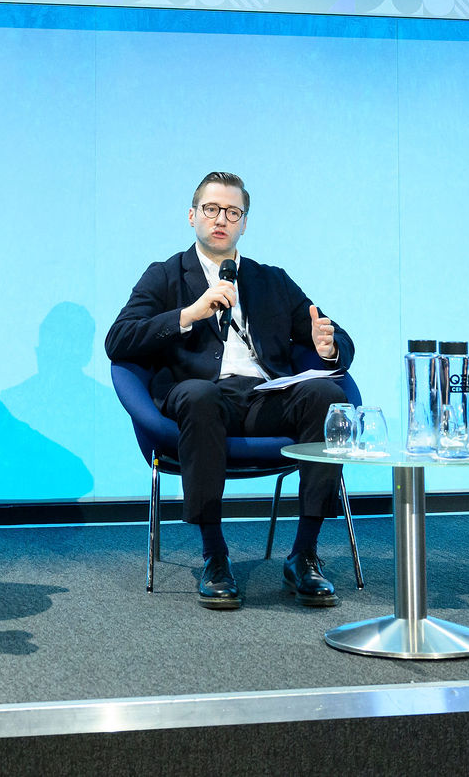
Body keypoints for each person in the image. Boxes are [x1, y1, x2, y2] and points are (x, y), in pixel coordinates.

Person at [105, 171, 354, 610]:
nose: (221, 219)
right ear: (192, 216)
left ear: (244, 223)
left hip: (264, 397)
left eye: (232, 212)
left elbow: (336, 338)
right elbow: (118, 339)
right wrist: (189, 313)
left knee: (326, 396)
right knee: (199, 397)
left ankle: (304, 554)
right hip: (201, 398)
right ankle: (215, 556)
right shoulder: (165, 276)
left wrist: (328, 347)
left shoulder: (272, 280)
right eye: (211, 209)